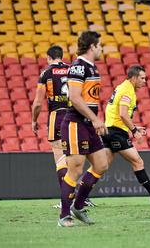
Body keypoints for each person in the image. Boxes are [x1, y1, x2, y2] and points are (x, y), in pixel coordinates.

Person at [31, 45, 95, 209]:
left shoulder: (46, 73)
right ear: (62, 56)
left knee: (61, 158)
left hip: (57, 115)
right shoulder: (73, 69)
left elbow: (38, 103)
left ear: (48, 57)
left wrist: (34, 120)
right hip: (75, 115)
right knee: (78, 158)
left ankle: (66, 199)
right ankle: (81, 197)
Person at [58, 31, 109, 227]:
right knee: (75, 169)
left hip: (88, 124)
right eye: (100, 45)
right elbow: (75, 98)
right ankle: (64, 216)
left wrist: (94, 120)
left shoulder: (92, 68)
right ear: (92, 46)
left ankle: (78, 206)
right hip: (75, 123)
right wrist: (96, 119)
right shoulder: (78, 68)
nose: (101, 48)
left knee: (101, 164)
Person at [102, 65, 150, 204]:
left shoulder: (121, 87)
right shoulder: (128, 91)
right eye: (142, 78)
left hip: (109, 129)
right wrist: (134, 131)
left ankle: (80, 196)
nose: (145, 81)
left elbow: (114, 112)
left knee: (101, 166)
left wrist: (133, 127)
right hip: (116, 133)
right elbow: (122, 114)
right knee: (137, 161)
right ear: (134, 78)